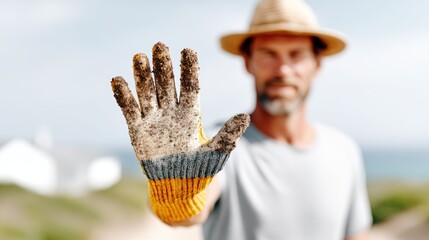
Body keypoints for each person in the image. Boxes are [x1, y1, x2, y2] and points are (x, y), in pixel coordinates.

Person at [111, 0, 372, 239]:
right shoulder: (217, 148)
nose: (282, 70)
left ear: (317, 63)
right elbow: (188, 214)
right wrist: (177, 195)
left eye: (296, 54)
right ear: (248, 61)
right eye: (268, 54)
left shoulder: (344, 151)